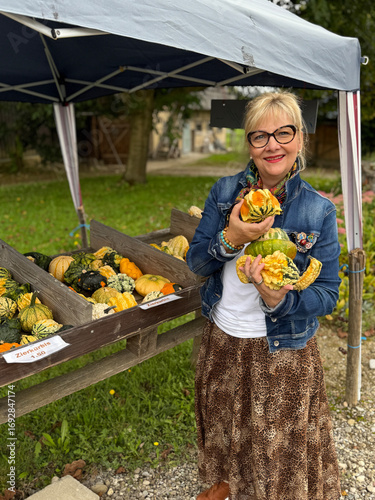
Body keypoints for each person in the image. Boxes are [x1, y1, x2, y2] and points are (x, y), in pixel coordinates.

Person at [186, 91, 341, 500]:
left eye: (283, 132)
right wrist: (230, 237)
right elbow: (197, 263)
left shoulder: (318, 212)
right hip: (223, 338)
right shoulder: (223, 194)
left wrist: (281, 300)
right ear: (249, 144)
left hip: (283, 351)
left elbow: (327, 295)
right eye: (260, 136)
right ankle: (228, 487)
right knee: (225, 429)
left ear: (300, 139)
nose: (272, 144)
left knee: (279, 449)